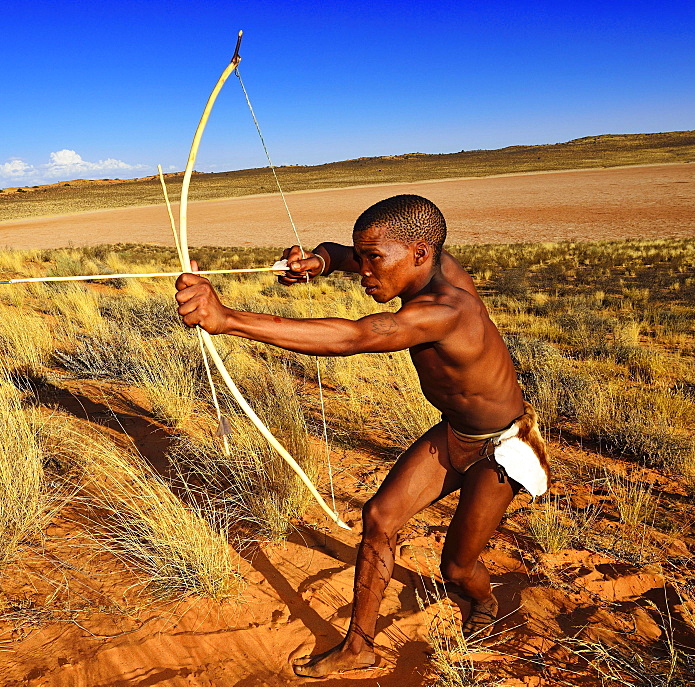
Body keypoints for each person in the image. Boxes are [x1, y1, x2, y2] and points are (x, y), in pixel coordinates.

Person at [175, 194, 549, 678]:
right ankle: (359, 647)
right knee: (379, 517)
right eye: (362, 257)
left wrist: (227, 320)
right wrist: (321, 260)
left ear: (419, 253)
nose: (365, 271)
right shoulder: (427, 259)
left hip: (501, 447)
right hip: (456, 432)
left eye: (374, 260)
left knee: (457, 569)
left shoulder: (447, 309)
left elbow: (357, 336)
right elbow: (348, 253)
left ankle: (485, 600)